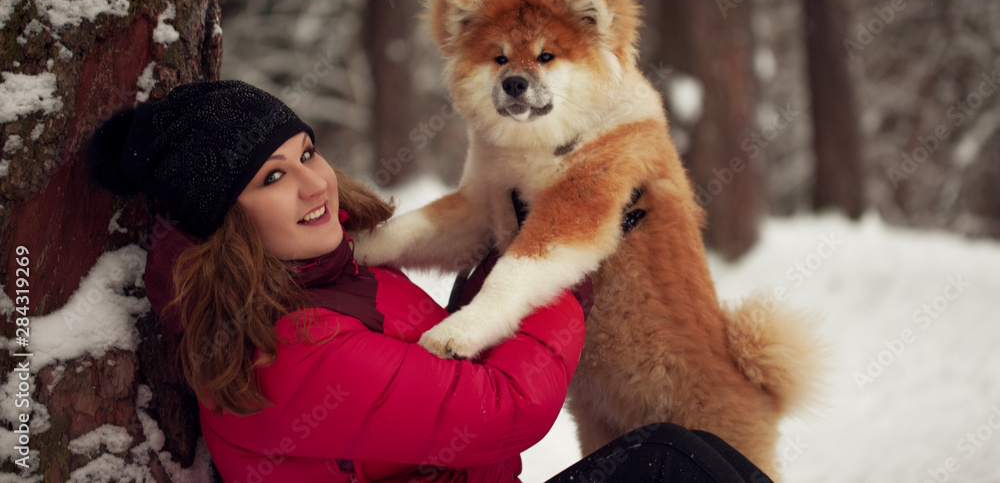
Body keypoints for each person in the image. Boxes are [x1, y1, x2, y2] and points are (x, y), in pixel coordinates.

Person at [86, 80, 772, 483]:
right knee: (669, 462)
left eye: (307, 153)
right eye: (272, 177)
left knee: (680, 460)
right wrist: (553, 268)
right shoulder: (288, 347)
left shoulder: (334, 271)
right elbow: (505, 406)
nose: (314, 183)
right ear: (224, 221)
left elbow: (441, 360)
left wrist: (503, 265)